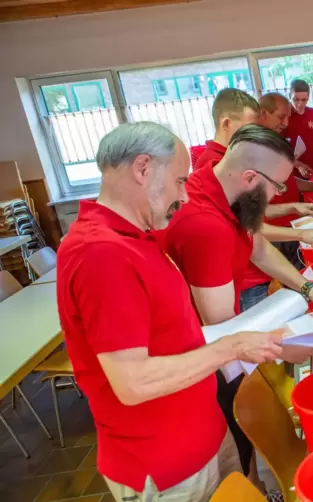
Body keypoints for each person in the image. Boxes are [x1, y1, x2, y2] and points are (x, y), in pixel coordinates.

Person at [57, 122, 284, 501]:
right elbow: (133, 383)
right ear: (143, 169)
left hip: (201, 432)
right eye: (180, 181)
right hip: (166, 464)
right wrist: (233, 346)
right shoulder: (101, 254)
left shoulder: (136, 235)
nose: (185, 195)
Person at [160, 124, 313, 491]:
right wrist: (289, 345)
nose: (276, 196)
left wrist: (306, 287)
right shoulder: (205, 226)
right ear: (248, 177)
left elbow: (257, 247)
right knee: (237, 451)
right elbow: (224, 330)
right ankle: (254, 488)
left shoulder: (234, 196)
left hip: (216, 346)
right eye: (275, 187)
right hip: (200, 363)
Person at [194, 88, 313, 309]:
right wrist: (299, 232)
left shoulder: (230, 167)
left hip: (257, 273)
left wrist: (307, 288)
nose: (276, 194)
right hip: (244, 283)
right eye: (249, 127)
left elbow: (255, 239)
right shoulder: (213, 173)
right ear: (226, 123)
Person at [259, 92, 313, 269]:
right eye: (281, 117)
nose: (286, 123)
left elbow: (287, 181)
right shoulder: (254, 148)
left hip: (293, 224)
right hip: (273, 231)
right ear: (263, 114)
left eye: (288, 117)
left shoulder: (275, 141)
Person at [194, 88, 260, 171]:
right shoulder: (210, 164)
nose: (255, 135)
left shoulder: (238, 154)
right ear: (226, 124)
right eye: (248, 129)